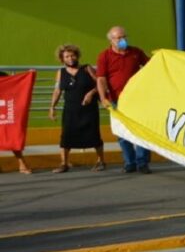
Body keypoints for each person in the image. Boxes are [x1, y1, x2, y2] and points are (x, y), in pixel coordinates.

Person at [96, 26, 151, 174]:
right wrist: (102, 98)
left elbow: (151, 67)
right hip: (116, 100)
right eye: (118, 38)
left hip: (137, 99)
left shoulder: (136, 52)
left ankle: (142, 163)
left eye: (124, 36)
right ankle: (129, 163)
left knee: (141, 131)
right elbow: (101, 79)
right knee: (122, 134)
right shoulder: (104, 56)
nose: (122, 40)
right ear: (111, 40)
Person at [48, 44, 105, 172]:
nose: (70, 58)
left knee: (94, 135)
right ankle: (64, 163)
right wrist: (52, 107)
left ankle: (101, 161)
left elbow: (100, 84)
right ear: (62, 59)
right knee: (66, 136)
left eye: (72, 55)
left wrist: (91, 93)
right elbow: (57, 91)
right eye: (67, 56)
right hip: (70, 109)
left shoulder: (87, 68)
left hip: (88, 109)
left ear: (77, 55)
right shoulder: (60, 72)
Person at [0, 70, 32, 174]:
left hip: (5, 108)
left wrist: (28, 75)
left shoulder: (2, 74)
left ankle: (22, 164)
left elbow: (13, 85)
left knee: (11, 136)